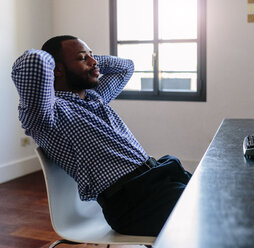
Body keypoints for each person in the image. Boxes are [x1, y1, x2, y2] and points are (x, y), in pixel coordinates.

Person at [11, 35, 191, 236]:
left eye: (92, 56)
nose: (94, 62)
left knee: (220, 192)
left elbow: (126, 67)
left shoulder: (95, 98)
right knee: (216, 214)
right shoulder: (46, 114)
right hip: (133, 202)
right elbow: (33, 62)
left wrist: (88, 60)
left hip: (157, 178)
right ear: (57, 69)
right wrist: (55, 60)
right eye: (82, 58)